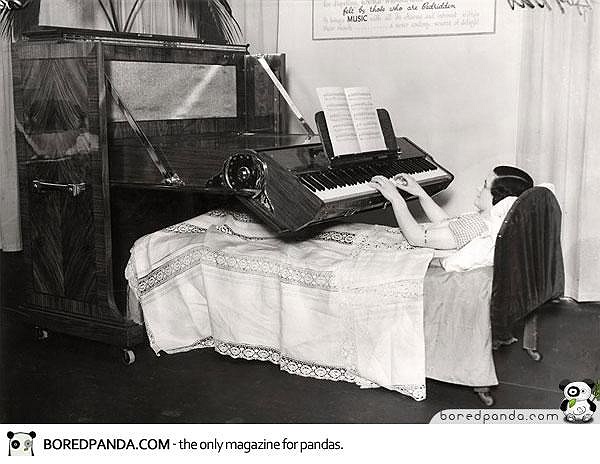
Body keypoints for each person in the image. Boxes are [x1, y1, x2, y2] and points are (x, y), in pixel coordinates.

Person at [369, 165, 534, 250]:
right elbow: (446, 222)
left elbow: (417, 238)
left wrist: (395, 198)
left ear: (500, 198)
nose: (478, 188)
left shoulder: (479, 226)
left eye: (484, 186)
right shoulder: (485, 220)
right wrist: (420, 193)